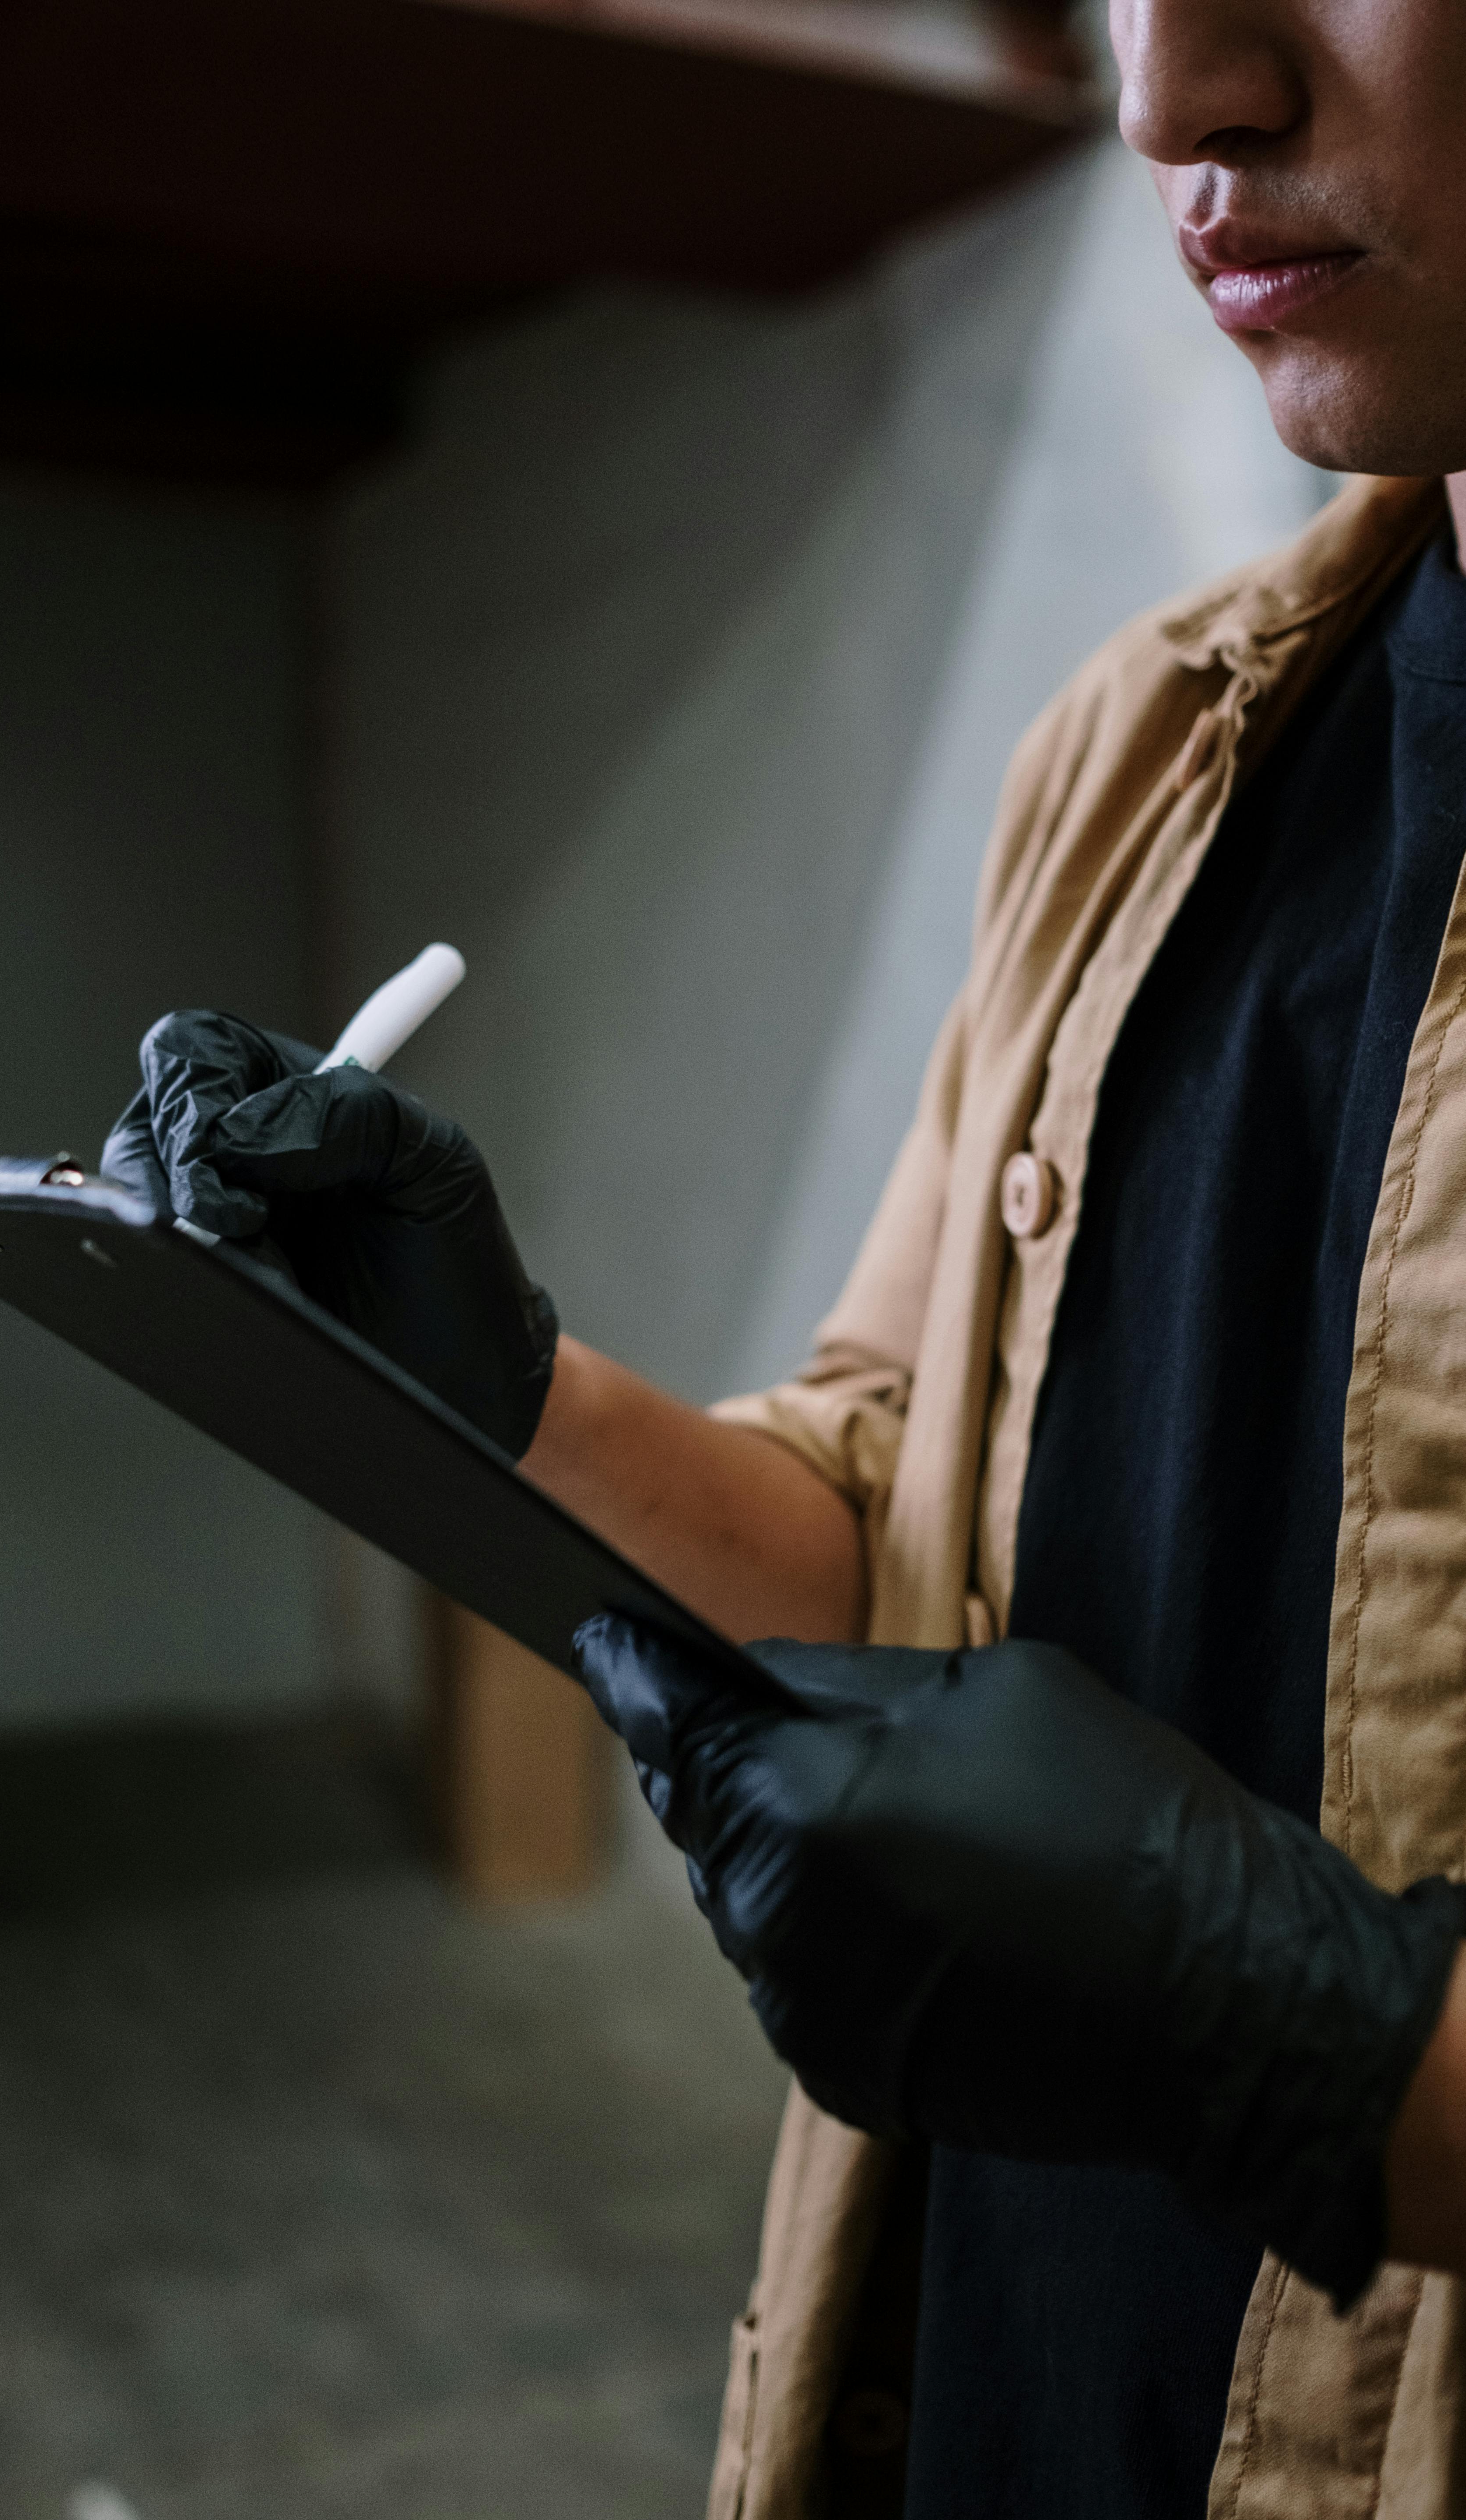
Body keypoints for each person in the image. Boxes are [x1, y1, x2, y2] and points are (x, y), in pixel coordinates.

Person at [103, 1, 1466, 2509]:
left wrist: (1355, 2050)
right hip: (987, 2399)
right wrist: (499, 1387)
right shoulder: (1140, 754)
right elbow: (889, 1535)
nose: (1175, 94)